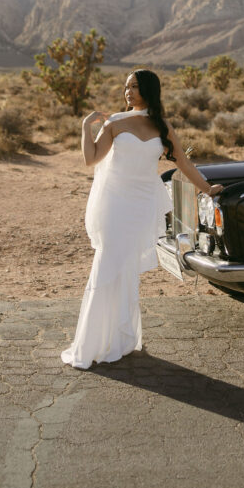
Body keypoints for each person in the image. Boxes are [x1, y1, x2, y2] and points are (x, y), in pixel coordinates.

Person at [61, 68, 223, 370]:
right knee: (108, 263)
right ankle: (91, 342)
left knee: (126, 270)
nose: (128, 92)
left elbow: (183, 162)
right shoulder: (114, 122)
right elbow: (91, 158)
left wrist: (207, 189)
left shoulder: (161, 126)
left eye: (134, 86)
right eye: (125, 87)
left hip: (140, 205)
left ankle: (121, 339)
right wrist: (86, 128)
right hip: (113, 205)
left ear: (148, 89)